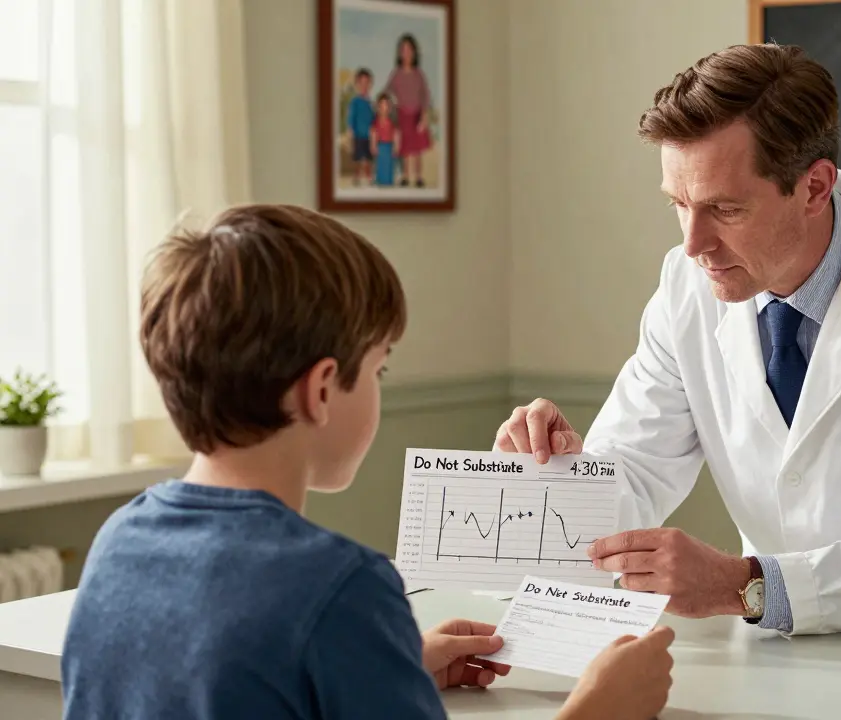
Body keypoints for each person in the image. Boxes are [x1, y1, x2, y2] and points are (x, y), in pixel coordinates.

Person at [494, 43, 841, 636]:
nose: (694, 244)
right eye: (679, 205)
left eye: (724, 209)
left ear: (815, 187)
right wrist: (562, 477)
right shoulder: (685, 286)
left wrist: (743, 584)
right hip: (787, 648)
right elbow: (633, 474)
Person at [60, 205, 675, 719]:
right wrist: (595, 709)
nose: (380, 384)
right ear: (321, 389)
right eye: (379, 368)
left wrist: (387, 669)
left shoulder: (118, 543)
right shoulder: (343, 591)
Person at [382, 33, 433, 188]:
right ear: (399, 53)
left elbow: (425, 95)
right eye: (403, 50)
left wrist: (424, 115)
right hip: (402, 114)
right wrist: (388, 107)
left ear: (415, 52)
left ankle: (418, 176)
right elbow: (387, 92)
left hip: (417, 114)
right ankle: (405, 176)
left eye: (409, 50)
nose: (406, 53)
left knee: (416, 149)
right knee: (404, 148)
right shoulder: (396, 74)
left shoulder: (419, 75)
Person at [345, 68, 376, 186]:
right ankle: (357, 177)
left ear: (370, 84)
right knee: (358, 159)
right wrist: (350, 132)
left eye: (367, 83)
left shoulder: (370, 103)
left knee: (368, 159)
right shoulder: (355, 101)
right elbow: (351, 118)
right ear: (357, 84)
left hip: (369, 136)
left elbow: (373, 119)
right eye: (361, 83)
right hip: (358, 135)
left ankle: (369, 178)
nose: (364, 86)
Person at [373, 92, 400, 186]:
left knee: (389, 167)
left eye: (386, 105)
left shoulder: (392, 121)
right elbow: (374, 133)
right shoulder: (376, 121)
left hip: (389, 146)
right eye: (382, 105)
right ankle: (379, 182)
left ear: (390, 107)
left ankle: (389, 183)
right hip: (380, 146)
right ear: (378, 107)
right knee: (380, 167)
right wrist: (373, 145)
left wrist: (396, 146)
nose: (384, 108)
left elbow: (396, 134)